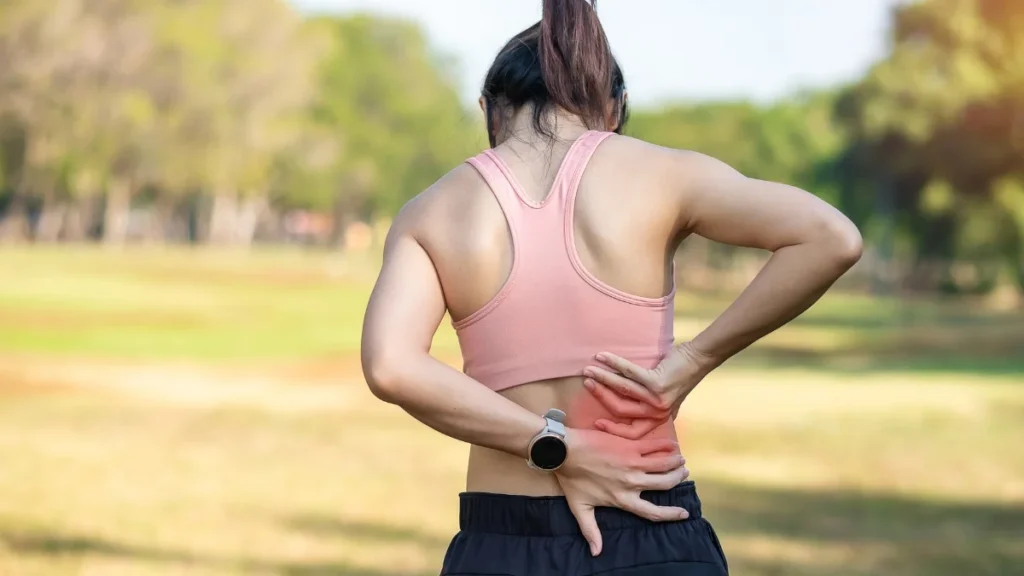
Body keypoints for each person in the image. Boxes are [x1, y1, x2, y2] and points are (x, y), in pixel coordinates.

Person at [360, 1, 863, 574]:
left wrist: (553, 448)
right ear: (615, 105)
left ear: (488, 109)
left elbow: (392, 366)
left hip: (500, 540)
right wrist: (694, 359)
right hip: (650, 530)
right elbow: (831, 237)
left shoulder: (431, 211)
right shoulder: (665, 174)